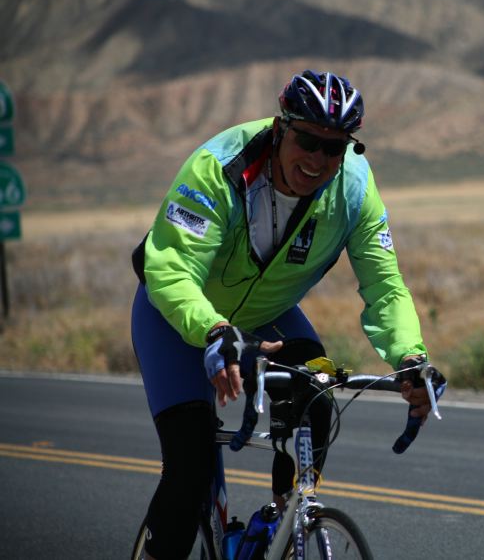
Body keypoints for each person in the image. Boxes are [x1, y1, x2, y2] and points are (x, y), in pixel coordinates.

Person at [130, 69, 440, 559]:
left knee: (316, 399)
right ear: (280, 129)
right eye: (307, 140)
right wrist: (214, 330)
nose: (317, 159)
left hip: (269, 316)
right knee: (189, 466)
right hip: (175, 317)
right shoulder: (220, 166)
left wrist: (411, 357)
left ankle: (281, 532)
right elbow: (171, 271)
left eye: (333, 148)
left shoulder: (354, 190)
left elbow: (385, 285)